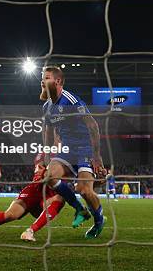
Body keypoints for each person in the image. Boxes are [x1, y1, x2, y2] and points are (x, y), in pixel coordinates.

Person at [40, 66, 106, 239]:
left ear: (58, 81)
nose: (42, 81)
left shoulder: (70, 100)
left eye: (46, 78)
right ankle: (80, 209)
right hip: (67, 150)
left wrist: (97, 157)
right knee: (50, 176)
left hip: (84, 149)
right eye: (42, 78)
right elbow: (47, 132)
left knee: (84, 191)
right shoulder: (47, 107)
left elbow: (93, 125)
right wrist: (47, 155)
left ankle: (99, 221)